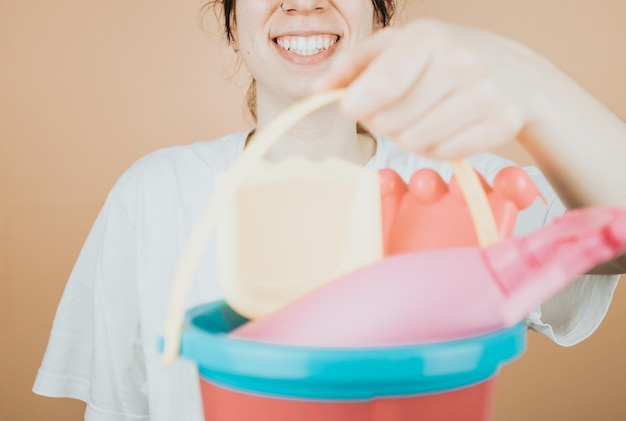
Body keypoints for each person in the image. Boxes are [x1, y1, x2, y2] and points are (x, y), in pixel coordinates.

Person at [33, 1, 626, 420]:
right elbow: (117, 412)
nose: (304, 2)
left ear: (379, 11)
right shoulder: (154, 195)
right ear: (232, 16)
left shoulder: (456, 192)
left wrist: (532, 87)